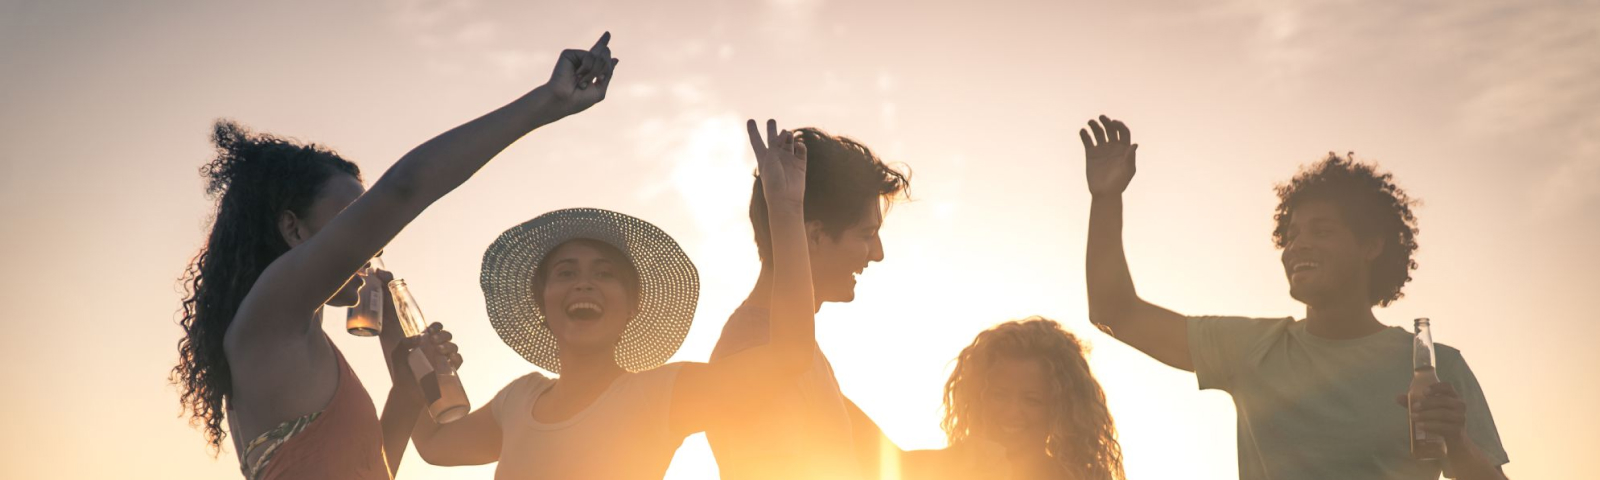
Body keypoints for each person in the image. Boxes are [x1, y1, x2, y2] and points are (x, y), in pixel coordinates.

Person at [170, 32, 620, 479]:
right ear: (293, 227)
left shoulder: (300, 343)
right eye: (353, 216)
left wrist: (405, 395)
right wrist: (547, 102)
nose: (373, 241)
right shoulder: (266, 317)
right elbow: (404, 189)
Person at [1080, 115, 1509, 479]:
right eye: (1291, 235)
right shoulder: (1251, 349)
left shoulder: (1436, 369)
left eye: (1321, 231)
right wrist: (1106, 198)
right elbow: (1114, 311)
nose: (1297, 245)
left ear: (1371, 245)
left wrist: (1459, 445)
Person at [407, 120, 823, 480]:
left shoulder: (658, 396)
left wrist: (785, 210)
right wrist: (408, 357)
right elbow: (434, 443)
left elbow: (788, 355)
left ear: (632, 305)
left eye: (604, 274)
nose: (584, 284)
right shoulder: (517, 400)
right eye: (566, 272)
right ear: (542, 300)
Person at [705, 126, 911, 480]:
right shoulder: (758, 348)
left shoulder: (800, 351)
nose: (877, 254)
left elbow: (895, 465)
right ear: (814, 236)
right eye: (866, 235)